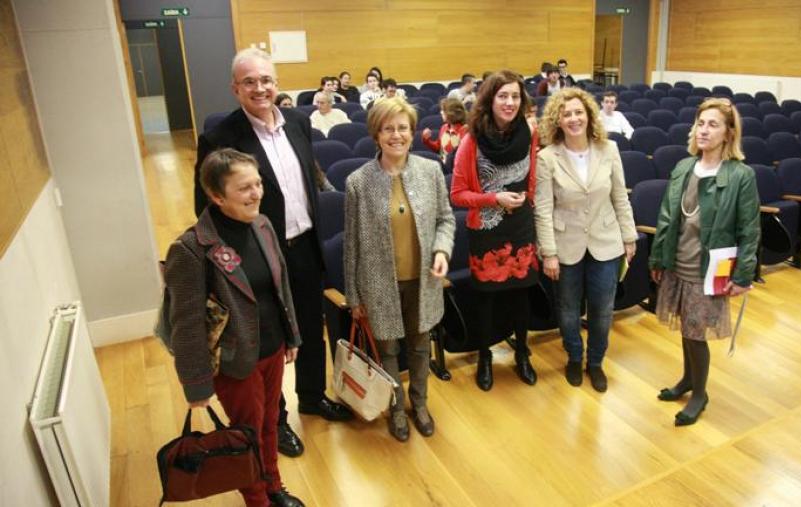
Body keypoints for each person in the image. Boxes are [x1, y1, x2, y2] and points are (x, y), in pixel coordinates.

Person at [194, 48, 352, 461]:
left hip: (304, 244)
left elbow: (306, 181)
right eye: (249, 82)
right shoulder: (220, 137)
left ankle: (314, 397)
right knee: (270, 340)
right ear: (235, 88)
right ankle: (277, 421)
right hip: (259, 256)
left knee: (311, 328)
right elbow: (205, 204)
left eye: (265, 80)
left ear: (276, 83)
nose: (259, 88)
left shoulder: (299, 121)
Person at [169, 148, 305, 507]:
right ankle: (257, 500)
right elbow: (185, 325)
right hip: (235, 362)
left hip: (273, 348)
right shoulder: (191, 249)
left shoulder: (262, 224)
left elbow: (281, 286)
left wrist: (291, 335)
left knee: (271, 422)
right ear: (216, 195)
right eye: (245, 188)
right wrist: (196, 383)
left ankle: (274, 486)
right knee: (248, 435)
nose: (257, 193)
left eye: (258, 183)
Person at [344, 98, 455, 442]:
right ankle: (396, 407)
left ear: (412, 132)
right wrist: (353, 296)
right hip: (378, 285)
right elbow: (352, 245)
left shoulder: (430, 170)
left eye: (403, 128)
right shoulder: (358, 183)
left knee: (421, 347)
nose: (397, 135)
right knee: (388, 350)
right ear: (376, 134)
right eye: (388, 128)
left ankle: (419, 404)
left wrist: (441, 250)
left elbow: (446, 220)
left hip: (423, 281)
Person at [649, 98, 760, 426]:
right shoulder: (684, 167)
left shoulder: (741, 175)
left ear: (728, 133)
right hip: (677, 261)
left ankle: (700, 394)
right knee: (686, 326)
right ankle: (687, 380)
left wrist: (742, 275)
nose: (704, 130)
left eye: (713, 124)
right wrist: (658, 257)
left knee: (696, 333)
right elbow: (667, 217)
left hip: (708, 268)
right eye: (701, 123)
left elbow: (749, 229)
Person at [534, 88, 637, 391]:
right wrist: (549, 252)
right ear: (558, 120)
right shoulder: (547, 158)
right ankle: (574, 357)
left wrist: (629, 237)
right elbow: (542, 209)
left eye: (579, 112)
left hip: (606, 241)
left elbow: (620, 196)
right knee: (567, 309)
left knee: (603, 309)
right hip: (566, 246)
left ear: (589, 115)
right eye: (567, 114)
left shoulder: (609, 149)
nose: (574, 118)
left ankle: (595, 362)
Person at [450, 70, 541, 391]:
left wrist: (525, 199)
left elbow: (531, 180)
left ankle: (522, 355)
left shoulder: (530, 134)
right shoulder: (471, 140)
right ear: (489, 100)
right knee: (486, 299)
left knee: (521, 295)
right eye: (503, 96)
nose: (510, 102)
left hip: (520, 226)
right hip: (487, 232)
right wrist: (494, 198)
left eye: (515, 96)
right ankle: (486, 356)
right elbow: (457, 194)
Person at [422, 97, 468, 163]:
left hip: (458, 166)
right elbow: (438, 148)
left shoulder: (465, 130)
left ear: (451, 114)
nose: (441, 112)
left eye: (443, 110)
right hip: (443, 165)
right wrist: (427, 140)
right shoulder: (444, 127)